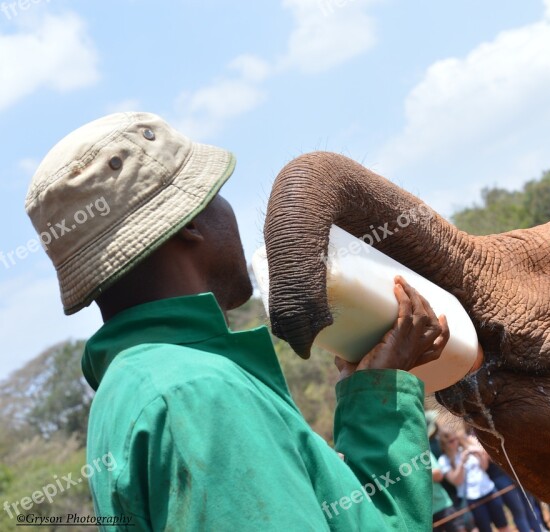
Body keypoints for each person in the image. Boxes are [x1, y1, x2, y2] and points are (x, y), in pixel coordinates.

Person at [24, 112, 450, 530]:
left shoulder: (134, 388)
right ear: (190, 223)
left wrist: (371, 395)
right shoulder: (197, 395)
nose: (230, 211)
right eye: (216, 194)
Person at [437, 426, 509, 532]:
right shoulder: (444, 460)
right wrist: (461, 463)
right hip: (472, 499)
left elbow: (484, 468)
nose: (455, 442)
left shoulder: (465, 447)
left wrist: (480, 455)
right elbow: (457, 481)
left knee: (503, 526)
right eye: (451, 441)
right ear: (444, 445)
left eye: (455, 438)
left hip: (489, 490)